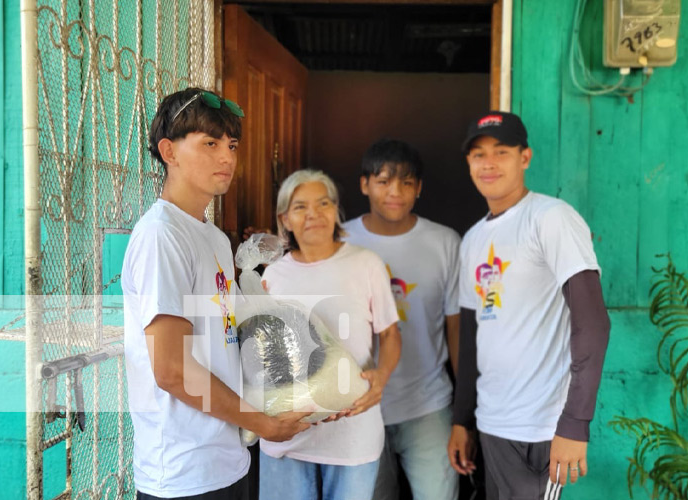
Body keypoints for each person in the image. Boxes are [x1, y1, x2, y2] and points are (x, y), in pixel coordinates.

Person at [122, 87, 310, 500]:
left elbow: (223, 340)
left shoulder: (214, 238)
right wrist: (263, 423)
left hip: (227, 460)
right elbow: (171, 370)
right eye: (210, 143)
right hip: (182, 474)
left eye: (232, 144)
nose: (227, 157)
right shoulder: (162, 236)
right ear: (169, 152)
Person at [448, 111, 611, 500]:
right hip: (491, 423)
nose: (489, 163)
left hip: (540, 427)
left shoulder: (551, 219)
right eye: (478, 154)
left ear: (525, 157)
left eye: (501, 151)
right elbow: (472, 338)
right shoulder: (472, 239)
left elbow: (593, 324)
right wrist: (462, 421)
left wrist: (575, 423)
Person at [258, 169, 402, 500]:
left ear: (336, 211)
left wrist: (381, 376)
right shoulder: (273, 276)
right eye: (300, 207)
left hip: (352, 433)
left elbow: (391, 334)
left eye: (323, 203)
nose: (314, 214)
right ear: (285, 219)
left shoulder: (365, 264)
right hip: (289, 435)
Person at [342, 138, 461, 500]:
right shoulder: (341, 241)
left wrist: (465, 411)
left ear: (419, 188)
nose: (395, 192)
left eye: (406, 182)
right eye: (383, 181)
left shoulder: (444, 243)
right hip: (358, 408)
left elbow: (455, 329)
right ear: (364, 185)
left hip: (429, 406)